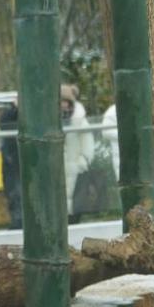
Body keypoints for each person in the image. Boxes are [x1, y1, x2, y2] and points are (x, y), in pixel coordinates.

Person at [61, 84, 95, 223]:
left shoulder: (80, 121)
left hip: (76, 169)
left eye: (64, 101)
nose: (62, 104)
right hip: (59, 170)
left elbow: (88, 144)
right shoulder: (54, 120)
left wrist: (83, 162)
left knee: (76, 208)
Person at [0, 97, 21, 229]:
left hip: (30, 162)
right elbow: (2, 125)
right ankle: (17, 223)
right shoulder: (9, 113)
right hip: (11, 161)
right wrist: (16, 109)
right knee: (13, 194)